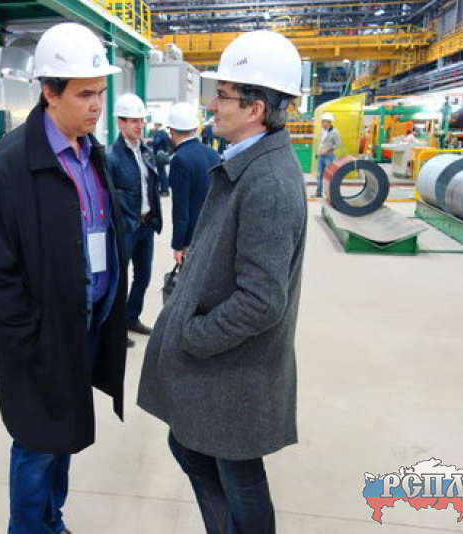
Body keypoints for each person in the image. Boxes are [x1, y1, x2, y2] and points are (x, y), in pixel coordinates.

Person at [138, 29, 307, 534]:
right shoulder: (247, 164)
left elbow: (261, 300)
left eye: (223, 96)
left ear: (255, 109)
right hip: (228, 366)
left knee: (237, 471)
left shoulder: (268, 182)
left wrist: (193, 334)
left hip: (235, 367)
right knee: (193, 447)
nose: (212, 106)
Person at [0, 22, 128, 534]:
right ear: (49, 93)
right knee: (37, 442)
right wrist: (30, 335)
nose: (96, 106)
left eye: (100, 92)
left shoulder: (92, 154)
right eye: (84, 94)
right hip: (40, 336)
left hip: (85, 324)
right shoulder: (3, 169)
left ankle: (51, 521)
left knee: (65, 435)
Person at [106, 93, 163, 343]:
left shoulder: (146, 151)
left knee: (144, 275)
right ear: (120, 122)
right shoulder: (111, 157)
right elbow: (109, 198)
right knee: (119, 279)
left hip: (146, 225)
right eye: (133, 121)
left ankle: (131, 317)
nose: (139, 125)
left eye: (141, 120)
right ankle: (116, 326)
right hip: (126, 228)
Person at [165, 102, 219, 266]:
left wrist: (178, 245)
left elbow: (181, 209)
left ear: (172, 131)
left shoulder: (180, 159)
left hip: (193, 238)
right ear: (196, 128)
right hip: (215, 233)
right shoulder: (212, 154)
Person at [316, 111, 341, 197]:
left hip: (328, 156)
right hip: (321, 155)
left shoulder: (334, 132)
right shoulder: (322, 131)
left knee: (329, 175)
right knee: (319, 174)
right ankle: (318, 192)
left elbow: (338, 144)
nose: (322, 123)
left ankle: (329, 193)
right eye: (322, 121)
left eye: (323, 121)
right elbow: (321, 143)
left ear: (329, 122)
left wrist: (327, 151)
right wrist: (318, 152)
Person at [150, 120, 171, 195]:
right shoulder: (163, 132)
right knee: (162, 172)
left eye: (155, 125)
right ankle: (163, 189)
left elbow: (157, 142)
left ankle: (164, 190)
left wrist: (149, 142)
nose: (154, 126)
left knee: (161, 172)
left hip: (160, 155)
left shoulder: (160, 132)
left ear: (158, 125)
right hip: (162, 154)